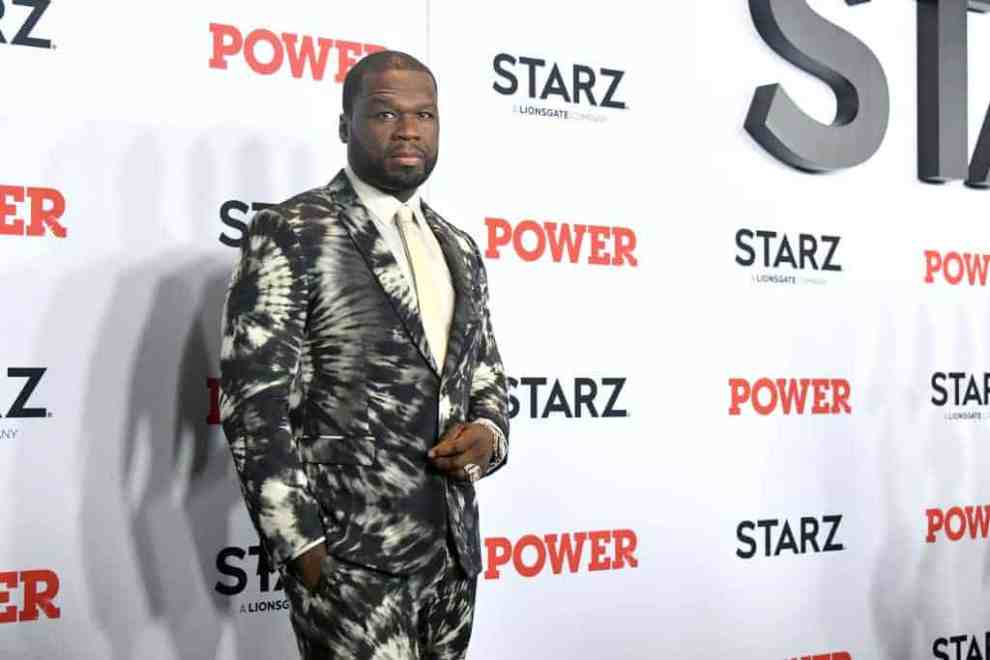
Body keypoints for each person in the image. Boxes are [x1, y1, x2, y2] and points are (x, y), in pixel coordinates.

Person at [218, 50, 509, 659]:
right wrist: (301, 547)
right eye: (385, 114)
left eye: (424, 115)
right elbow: (254, 405)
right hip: (349, 561)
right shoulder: (294, 229)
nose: (409, 129)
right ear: (345, 125)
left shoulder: (459, 246)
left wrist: (488, 432)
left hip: (453, 557)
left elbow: (484, 373)